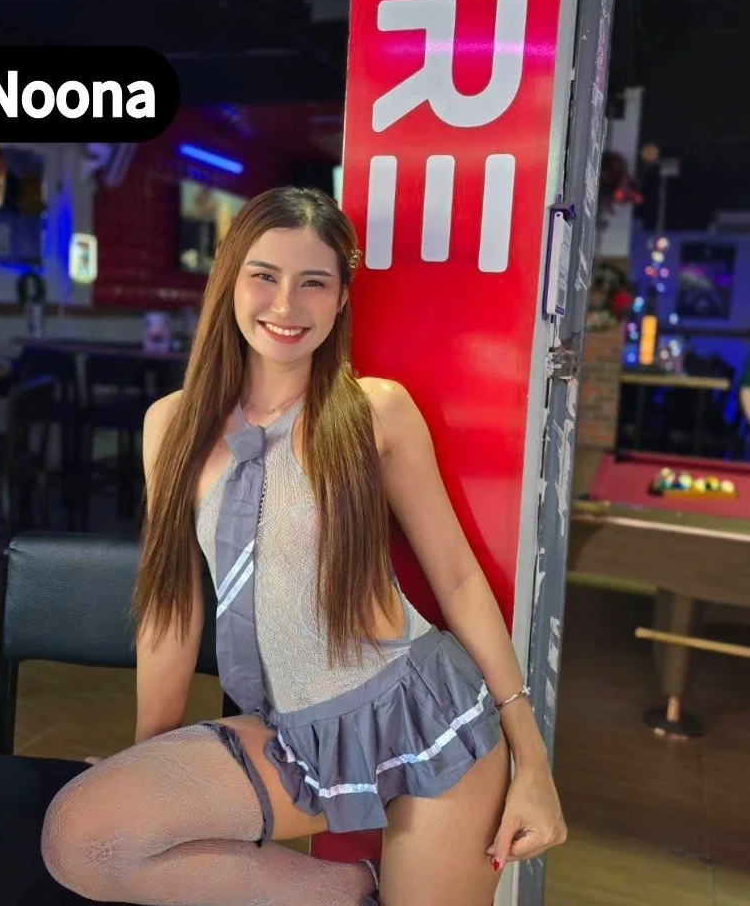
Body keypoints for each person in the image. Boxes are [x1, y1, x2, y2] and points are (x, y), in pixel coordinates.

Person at [40, 187, 567, 906]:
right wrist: (149, 760)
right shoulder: (171, 426)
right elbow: (172, 608)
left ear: (341, 298)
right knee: (82, 839)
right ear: (229, 279)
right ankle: (358, 892)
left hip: (429, 715)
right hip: (290, 735)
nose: (286, 305)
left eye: (313, 282)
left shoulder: (376, 411)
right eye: (265, 275)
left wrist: (532, 761)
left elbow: (456, 580)